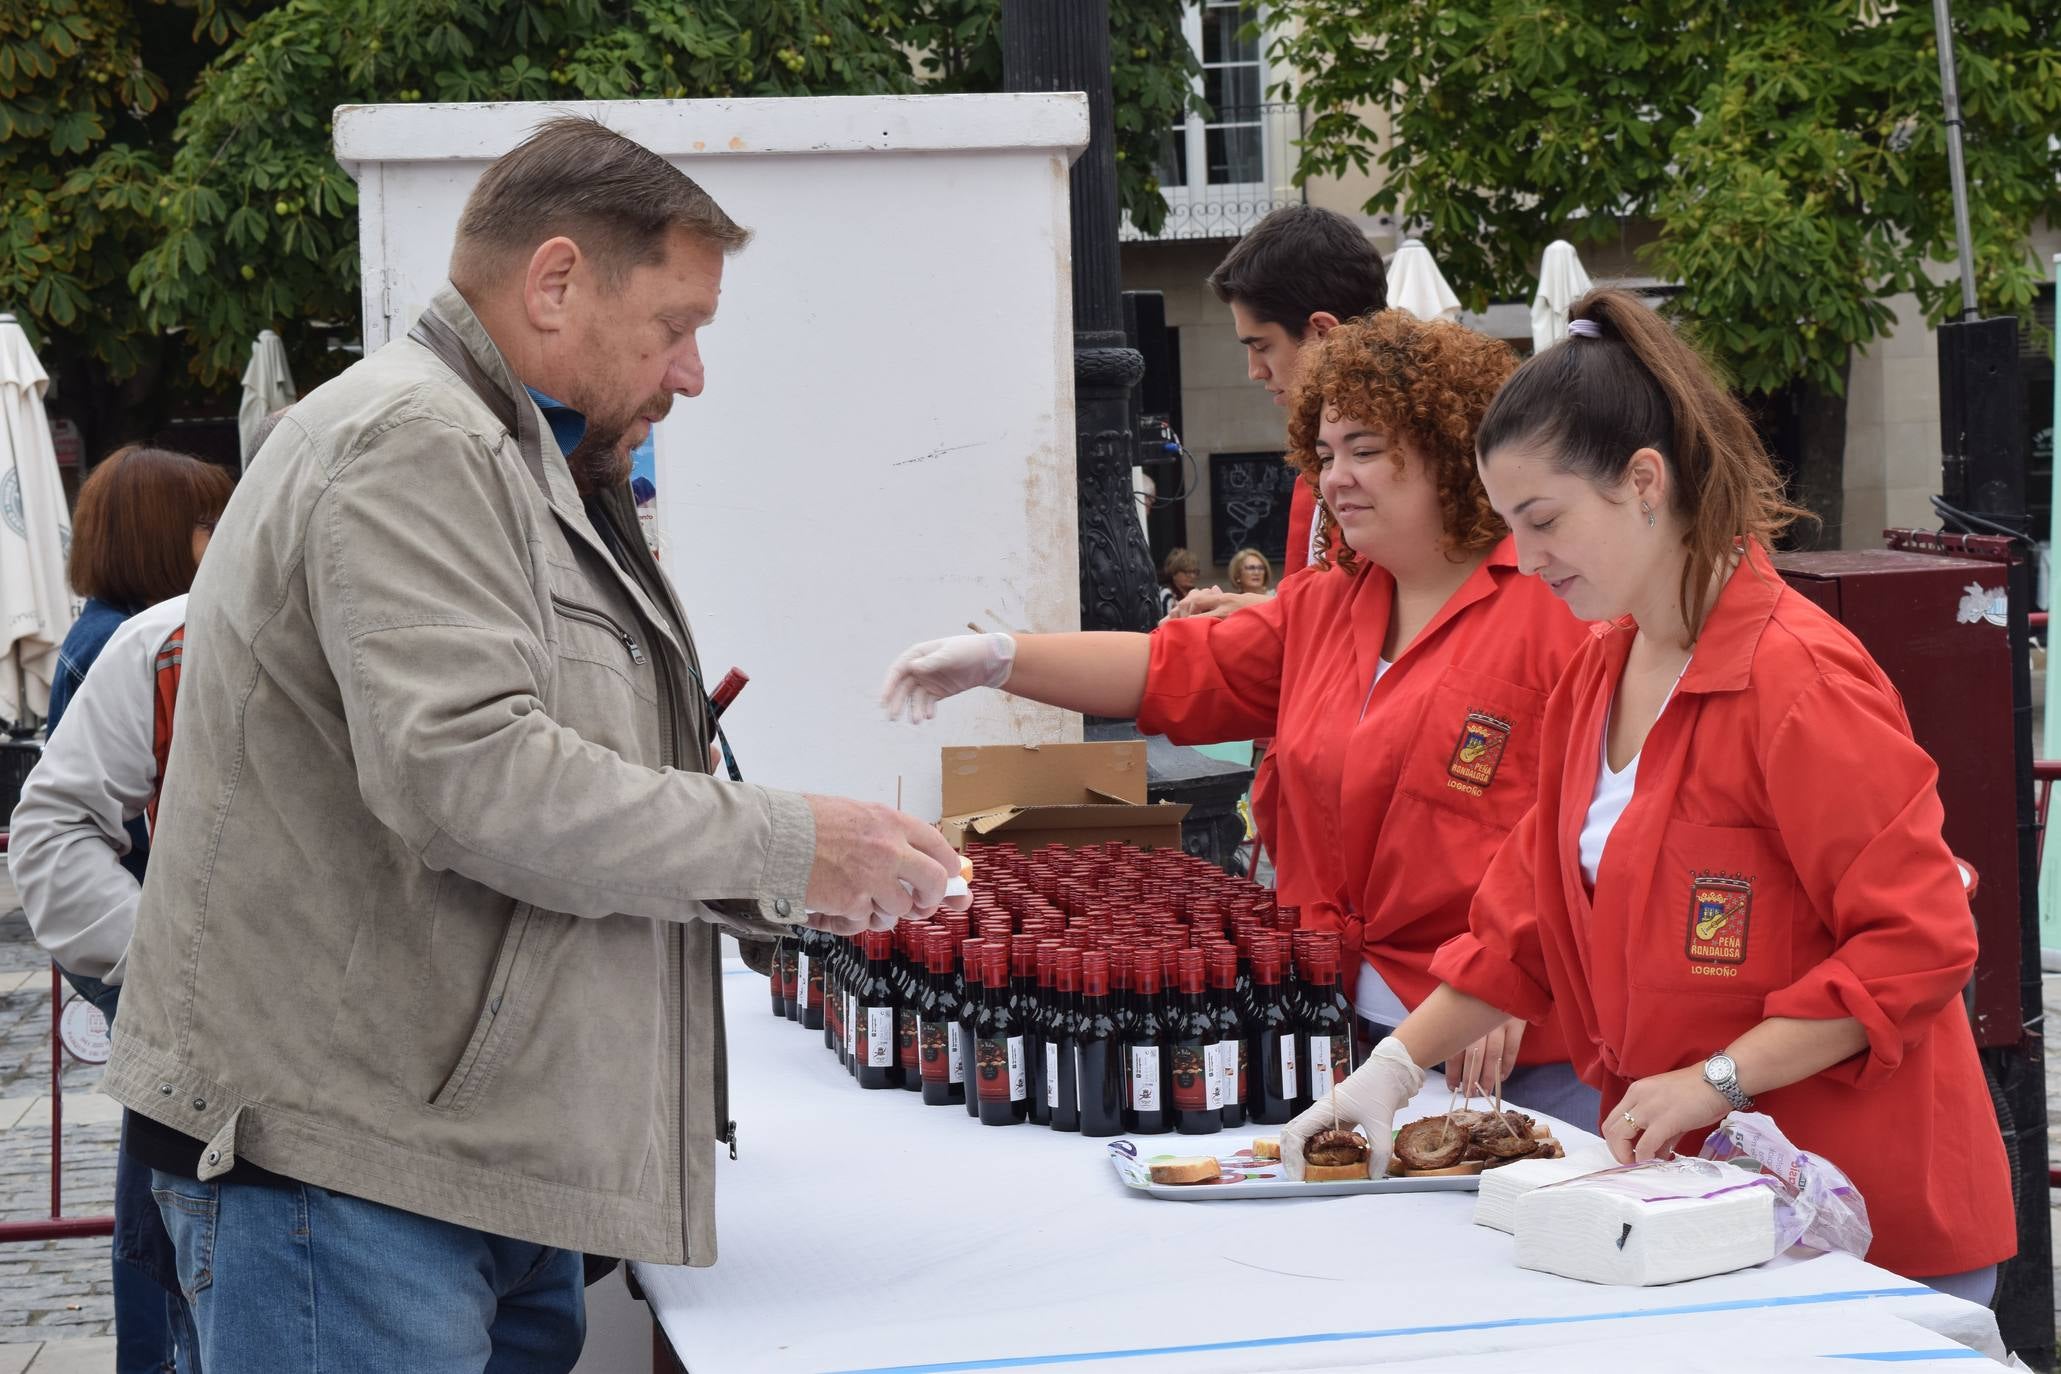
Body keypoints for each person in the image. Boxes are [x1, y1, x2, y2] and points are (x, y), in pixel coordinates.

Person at [102, 116, 967, 1372]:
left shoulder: (514, 454)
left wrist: (780, 868)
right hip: (355, 1178)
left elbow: (546, 772)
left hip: (435, 1168)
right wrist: (792, 845)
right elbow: (469, 778)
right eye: (677, 327)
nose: (690, 373)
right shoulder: (420, 443)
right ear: (555, 283)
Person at [1280, 290, 2016, 1299]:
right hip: (1697, 1209)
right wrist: (1392, 1073)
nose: (1526, 560)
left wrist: (1717, 1078)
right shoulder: (1597, 670)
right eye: (1507, 525)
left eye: (1544, 521)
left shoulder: (1798, 678)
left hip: (1863, 1227)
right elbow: (1526, 927)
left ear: (1643, 482)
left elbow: (1919, 940)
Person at [882, 311, 1596, 1122]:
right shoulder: (1326, 606)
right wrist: (1000, 658)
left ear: (1450, 452)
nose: (1335, 480)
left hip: (1505, 1048)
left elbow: (1596, 829)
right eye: (1324, 455)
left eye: (1365, 450)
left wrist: (1505, 973)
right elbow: (1172, 668)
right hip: (1332, 1021)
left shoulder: (1557, 606)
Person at [30, 442, 227, 1374]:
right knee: (158, 1186)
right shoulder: (138, 640)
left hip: (138, 939)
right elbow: (81, 825)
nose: (222, 539)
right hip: (155, 943)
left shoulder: (101, 629)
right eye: (205, 523)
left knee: (152, 1176)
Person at [1170, 206, 1388, 623]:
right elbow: (1335, 609)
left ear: (1323, 331)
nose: (1255, 370)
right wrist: (1268, 608)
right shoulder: (1339, 447)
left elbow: (1364, 621)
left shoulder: (1390, 460)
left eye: (1262, 345)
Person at [48, 445, 231, 731]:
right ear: (160, 539)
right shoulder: (120, 642)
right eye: (211, 527)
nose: (225, 541)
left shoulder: (113, 626)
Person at [1158, 547, 1200, 618]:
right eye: (1187, 572)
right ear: (1174, 573)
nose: (1192, 576)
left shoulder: (1196, 592)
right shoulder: (1166, 593)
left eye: (1194, 572)